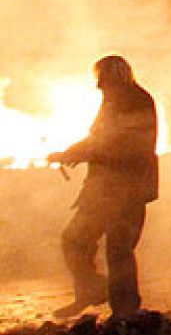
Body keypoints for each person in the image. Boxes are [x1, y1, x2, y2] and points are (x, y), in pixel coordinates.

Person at [46, 55, 159, 320]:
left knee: (119, 249)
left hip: (127, 189)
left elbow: (122, 146)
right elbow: (98, 138)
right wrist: (70, 153)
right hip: (102, 189)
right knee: (75, 239)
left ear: (116, 78)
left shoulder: (136, 103)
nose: (99, 86)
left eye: (103, 80)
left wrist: (81, 154)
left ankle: (125, 312)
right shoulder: (114, 100)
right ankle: (91, 290)